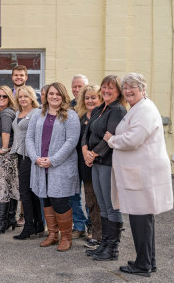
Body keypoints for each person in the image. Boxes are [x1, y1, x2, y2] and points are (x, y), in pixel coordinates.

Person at [104, 73, 173, 277]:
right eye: (125, 87)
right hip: (139, 173)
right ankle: (147, 261)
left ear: (143, 88)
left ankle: (143, 265)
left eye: (132, 87)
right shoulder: (139, 108)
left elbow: (133, 139)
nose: (127, 91)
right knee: (143, 220)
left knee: (140, 219)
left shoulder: (145, 109)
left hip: (142, 175)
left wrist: (112, 140)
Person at [25, 82, 80, 252]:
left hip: (60, 166)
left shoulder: (70, 115)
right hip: (41, 165)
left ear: (63, 96)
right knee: (46, 199)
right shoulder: (37, 114)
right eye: (51, 94)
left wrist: (53, 160)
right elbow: (29, 138)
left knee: (60, 201)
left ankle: (66, 237)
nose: (54, 97)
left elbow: (71, 142)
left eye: (58, 94)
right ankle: (52, 234)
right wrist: (35, 158)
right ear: (46, 96)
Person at [82, 75, 127, 261]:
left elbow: (111, 137)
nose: (106, 91)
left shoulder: (117, 110)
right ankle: (104, 244)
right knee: (102, 206)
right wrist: (85, 150)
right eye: (104, 87)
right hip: (96, 163)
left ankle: (112, 248)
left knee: (111, 206)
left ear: (119, 91)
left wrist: (94, 154)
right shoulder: (100, 108)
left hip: (108, 163)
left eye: (111, 88)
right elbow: (87, 132)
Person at [11, 85, 44, 240]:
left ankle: (29, 226)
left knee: (26, 191)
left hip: (30, 157)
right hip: (19, 155)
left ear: (32, 97)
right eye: (20, 97)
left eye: (26, 96)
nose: (23, 99)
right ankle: (37, 225)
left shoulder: (36, 113)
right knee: (29, 191)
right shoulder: (18, 112)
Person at [75, 85, 102, 250]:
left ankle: (102, 235)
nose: (90, 100)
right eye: (87, 97)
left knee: (101, 202)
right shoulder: (81, 116)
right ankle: (95, 232)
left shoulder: (103, 115)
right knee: (91, 200)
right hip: (83, 163)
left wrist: (93, 155)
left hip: (99, 162)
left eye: (93, 97)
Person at [0, 85, 19, 236]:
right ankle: (10, 218)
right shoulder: (5, 112)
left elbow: (5, 131)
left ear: (9, 98)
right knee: (9, 188)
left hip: (4, 157)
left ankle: (0, 223)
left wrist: (5, 148)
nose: (1, 98)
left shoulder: (6, 113)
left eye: (4, 96)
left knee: (1, 189)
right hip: (7, 157)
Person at [69, 74, 89, 239]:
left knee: (90, 194)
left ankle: (93, 226)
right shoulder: (69, 106)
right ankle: (79, 225)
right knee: (73, 194)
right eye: (74, 86)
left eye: (80, 86)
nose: (77, 89)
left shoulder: (93, 105)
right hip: (71, 157)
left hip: (88, 158)